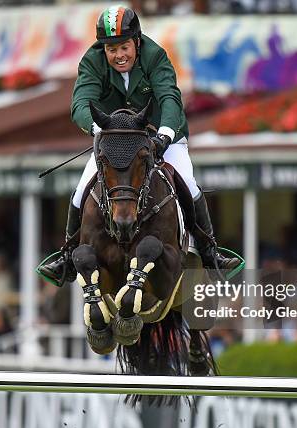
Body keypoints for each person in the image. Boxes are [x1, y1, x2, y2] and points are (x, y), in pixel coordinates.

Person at [39, 5, 238, 286]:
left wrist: (165, 136)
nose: (118, 55)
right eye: (111, 49)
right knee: (80, 191)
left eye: (124, 47)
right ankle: (67, 256)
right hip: (114, 141)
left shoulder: (155, 56)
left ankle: (209, 252)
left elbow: (169, 98)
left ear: (136, 41)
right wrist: (101, 130)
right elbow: (80, 103)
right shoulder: (92, 62)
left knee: (189, 184)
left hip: (160, 136)